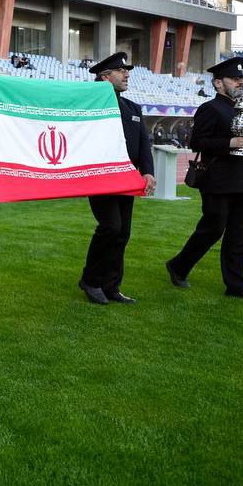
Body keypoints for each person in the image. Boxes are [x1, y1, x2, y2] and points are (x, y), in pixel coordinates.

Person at [165, 56, 243, 303]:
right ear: (219, 83)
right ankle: (179, 265)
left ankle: (236, 285)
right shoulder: (210, 108)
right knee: (213, 229)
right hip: (217, 180)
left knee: (241, 235)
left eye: (242, 78)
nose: (240, 82)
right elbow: (196, 142)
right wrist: (229, 143)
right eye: (235, 78)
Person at [78, 53, 155, 305]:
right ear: (104, 77)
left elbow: (144, 142)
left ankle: (112, 286)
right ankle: (90, 280)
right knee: (110, 227)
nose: (127, 74)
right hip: (100, 178)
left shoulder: (133, 108)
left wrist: (148, 171)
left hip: (127, 179)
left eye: (127, 71)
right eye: (121, 71)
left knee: (123, 232)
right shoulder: (90, 104)